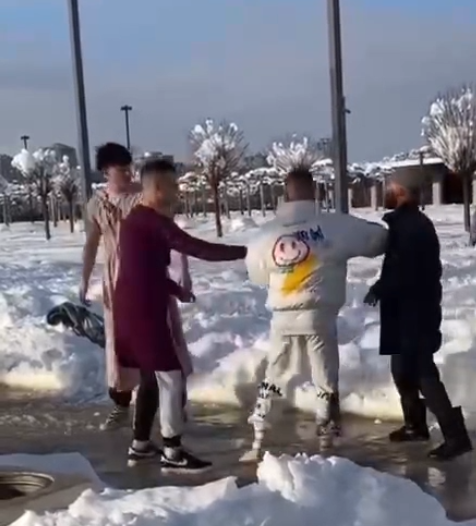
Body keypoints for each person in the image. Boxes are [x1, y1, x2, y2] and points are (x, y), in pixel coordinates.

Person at [114, 158, 247, 472]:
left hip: (134, 307)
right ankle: (172, 452)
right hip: (143, 312)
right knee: (171, 376)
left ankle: (141, 445)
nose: (178, 191)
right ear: (158, 188)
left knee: (151, 378)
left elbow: (143, 268)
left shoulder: (136, 219)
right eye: (173, 185)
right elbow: (196, 247)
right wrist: (246, 251)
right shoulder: (153, 221)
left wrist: (175, 289)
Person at [244, 167, 388, 458]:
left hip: (281, 317)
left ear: (285, 193)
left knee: (274, 371)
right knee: (324, 375)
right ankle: (325, 432)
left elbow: (256, 274)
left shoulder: (266, 234)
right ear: (315, 191)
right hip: (319, 314)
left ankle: (258, 435)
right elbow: (378, 241)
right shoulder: (335, 225)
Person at [80, 143, 193, 431]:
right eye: (122, 169)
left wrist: (184, 275)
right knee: (121, 344)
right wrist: (84, 279)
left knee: (162, 338)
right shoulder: (96, 204)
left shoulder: (144, 199)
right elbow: (92, 243)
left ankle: (174, 406)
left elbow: (173, 235)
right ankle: (121, 404)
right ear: (106, 171)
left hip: (149, 276)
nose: (129, 173)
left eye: (130, 168)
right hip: (116, 282)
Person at [364, 170, 472, 462]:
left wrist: (380, 288)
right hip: (407, 311)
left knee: (424, 374)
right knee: (402, 371)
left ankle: (456, 436)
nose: (386, 189)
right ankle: (415, 424)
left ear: (401, 189)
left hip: (414, 312)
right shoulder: (405, 224)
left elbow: (405, 272)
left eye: (390, 185)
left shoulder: (411, 226)